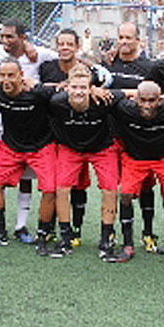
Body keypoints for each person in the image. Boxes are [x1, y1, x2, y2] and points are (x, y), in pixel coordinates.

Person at [39, 29, 111, 247]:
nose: (64, 47)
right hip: (67, 144)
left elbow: (125, 93)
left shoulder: (97, 83)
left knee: (98, 188)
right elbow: (36, 88)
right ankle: (62, 233)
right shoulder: (50, 80)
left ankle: (103, 235)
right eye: (61, 43)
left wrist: (96, 89)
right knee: (61, 187)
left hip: (99, 146)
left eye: (69, 43)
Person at [0, 58, 57, 255]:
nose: (6, 80)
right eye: (2, 75)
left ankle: (42, 236)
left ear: (21, 76)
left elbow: (61, 89)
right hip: (11, 147)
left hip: (41, 147)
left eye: (11, 75)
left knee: (49, 190)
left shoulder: (37, 93)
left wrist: (37, 85)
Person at [0, 18, 57, 244]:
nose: (5, 40)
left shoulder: (41, 56)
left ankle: (33, 230)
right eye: (3, 36)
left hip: (38, 139)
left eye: (10, 36)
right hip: (8, 134)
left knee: (42, 186)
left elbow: (67, 60)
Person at [108, 81, 164, 265]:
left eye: (152, 100)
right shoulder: (125, 108)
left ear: (161, 100)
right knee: (125, 194)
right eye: (143, 100)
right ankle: (127, 245)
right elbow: (108, 94)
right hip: (135, 158)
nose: (147, 105)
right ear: (135, 99)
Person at [48, 65, 119, 258]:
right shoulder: (57, 102)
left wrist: (101, 89)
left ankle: (106, 240)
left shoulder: (103, 100)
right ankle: (65, 238)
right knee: (61, 189)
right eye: (75, 87)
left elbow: (133, 93)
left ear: (90, 88)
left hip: (102, 148)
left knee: (110, 189)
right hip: (71, 148)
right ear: (67, 87)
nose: (79, 91)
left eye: (83, 87)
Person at [106, 22, 162, 252]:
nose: (124, 41)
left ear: (138, 40)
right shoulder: (109, 62)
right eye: (121, 37)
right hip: (113, 135)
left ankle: (148, 233)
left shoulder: (149, 67)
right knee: (116, 189)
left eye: (129, 37)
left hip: (139, 138)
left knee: (146, 188)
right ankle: (113, 234)